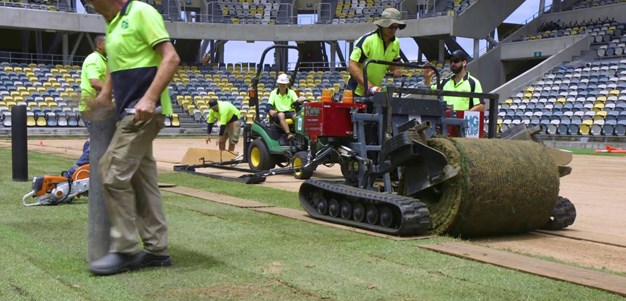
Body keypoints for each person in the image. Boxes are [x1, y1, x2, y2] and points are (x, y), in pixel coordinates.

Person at [87, 0, 180, 276]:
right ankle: (156, 250)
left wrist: (150, 98)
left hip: (141, 113)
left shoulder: (140, 12)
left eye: (92, 1)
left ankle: (125, 249)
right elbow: (118, 64)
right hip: (127, 111)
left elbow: (171, 57)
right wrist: (105, 94)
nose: (90, 6)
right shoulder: (112, 25)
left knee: (111, 172)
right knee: (143, 180)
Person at [68, 35, 107, 178]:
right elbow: (94, 82)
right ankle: (72, 174)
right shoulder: (94, 59)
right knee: (98, 142)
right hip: (91, 107)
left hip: (97, 107)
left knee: (94, 140)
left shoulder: (103, 61)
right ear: (99, 45)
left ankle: (86, 174)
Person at [348, 7, 405, 97]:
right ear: (382, 25)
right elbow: (352, 66)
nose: (393, 30)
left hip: (375, 91)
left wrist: (395, 70)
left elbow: (393, 65)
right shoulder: (368, 40)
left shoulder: (396, 43)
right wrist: (369, 86)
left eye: (396, 27)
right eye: (391, 26)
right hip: (357, 91)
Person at [267, 73, 299, 140]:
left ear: (287, 84)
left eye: (284, 84)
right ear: (278, 84)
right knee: (281, 115)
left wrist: (299, 102)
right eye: (281, 84)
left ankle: (299, 134)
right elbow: (269, 104)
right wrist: (270, 110)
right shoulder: (274, 93)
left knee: (297, 117)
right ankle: (288, 134)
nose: (282, 85)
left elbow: (296, 101)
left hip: (290, 112)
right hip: (279, 113)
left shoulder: (291, 92)